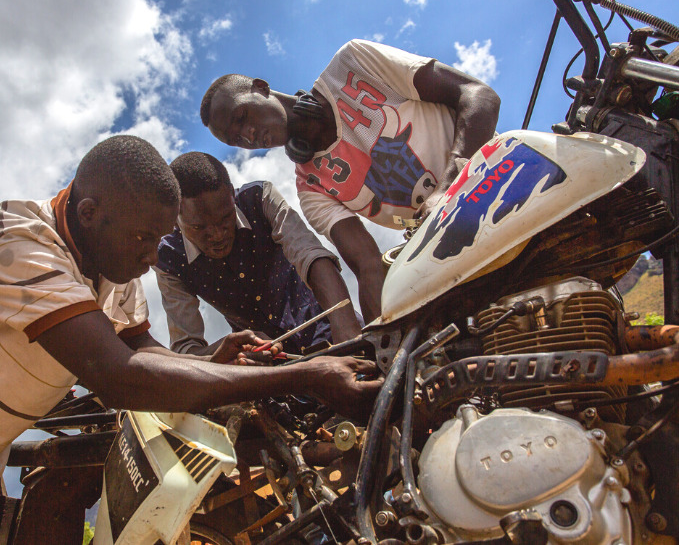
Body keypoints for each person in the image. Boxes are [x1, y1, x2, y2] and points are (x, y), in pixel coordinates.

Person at [0, 135, 381, 485]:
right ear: (89, 213)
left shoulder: (116, 271)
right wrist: (304, 377)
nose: (152, 258)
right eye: (144, 239)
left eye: (159, 240)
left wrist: (216, 361)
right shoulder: (20, 243)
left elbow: (145, 351)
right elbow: (119, 376)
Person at [200, 39, 501, 322]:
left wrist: (450, 187)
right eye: (235, 139)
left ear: (261, 88)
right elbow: (368, 267)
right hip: (458, 252)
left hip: (506, 185)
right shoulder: (311, 189)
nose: (247, 136)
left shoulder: (353, 63)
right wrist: (379, 345)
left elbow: (478, 95)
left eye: (242, 117)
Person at [154, 151, 362, 356]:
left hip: (330, 329)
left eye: (226, 217)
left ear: (232, 196)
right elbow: (186, 349)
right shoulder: (167, 259)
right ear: (175, 220)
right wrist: (232, 350)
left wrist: (346, 330)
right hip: (267, 367)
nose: (217, 235)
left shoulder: (260, 198)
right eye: (199, 228)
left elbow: (310, 254)